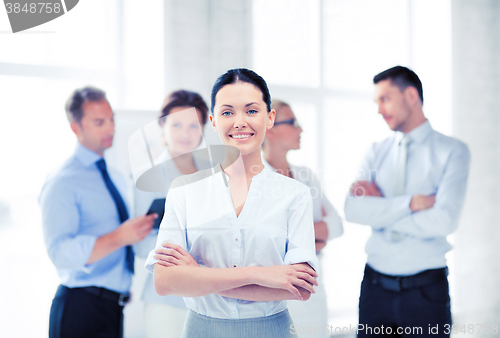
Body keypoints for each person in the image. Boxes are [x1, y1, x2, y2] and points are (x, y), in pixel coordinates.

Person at [144, 68, 319, 338]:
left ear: (269, 117)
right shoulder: (184, 191)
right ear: (213, 121)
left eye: (251, 111)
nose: (239, 122)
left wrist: (198, 276)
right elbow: (165, 281)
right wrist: (260, 275)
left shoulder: (294, 194)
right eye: (227, 113)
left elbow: (301, 288)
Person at [344, 66, 470, 337]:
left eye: (385, 99)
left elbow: (443, 221)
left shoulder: (453, 151)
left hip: (426, 294)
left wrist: (380, 208)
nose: (379, 109)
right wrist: (410, 203)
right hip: (374, 289)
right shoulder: (375, 151)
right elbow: (353, 210)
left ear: (411, 95)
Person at [39, 87, 157, 338]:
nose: (110, 128)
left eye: (111, 119)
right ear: (76, 128)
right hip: (80, 308)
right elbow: (59, 253)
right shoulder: (63, 181)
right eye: (99, 122)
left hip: (113, 307)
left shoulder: (114, 175)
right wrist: (120, 237)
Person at [262, 99, 343, 337]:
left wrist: (299, 234)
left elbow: (337, 225)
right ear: (269, 129)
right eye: (292, 122)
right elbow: (267, 240)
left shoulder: (306, 176)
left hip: (314, 288)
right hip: (275, 294)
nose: (301, 129)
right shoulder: (254, 181)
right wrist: (314, 234)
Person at [133, 90, 209, 338]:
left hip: (209, 294)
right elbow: (142, 245)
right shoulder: (148, 176)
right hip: (167, 300)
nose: (185, 134)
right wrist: (186, 256)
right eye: (177, 124)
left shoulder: (214, 174)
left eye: (193, 125)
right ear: (163, 125)